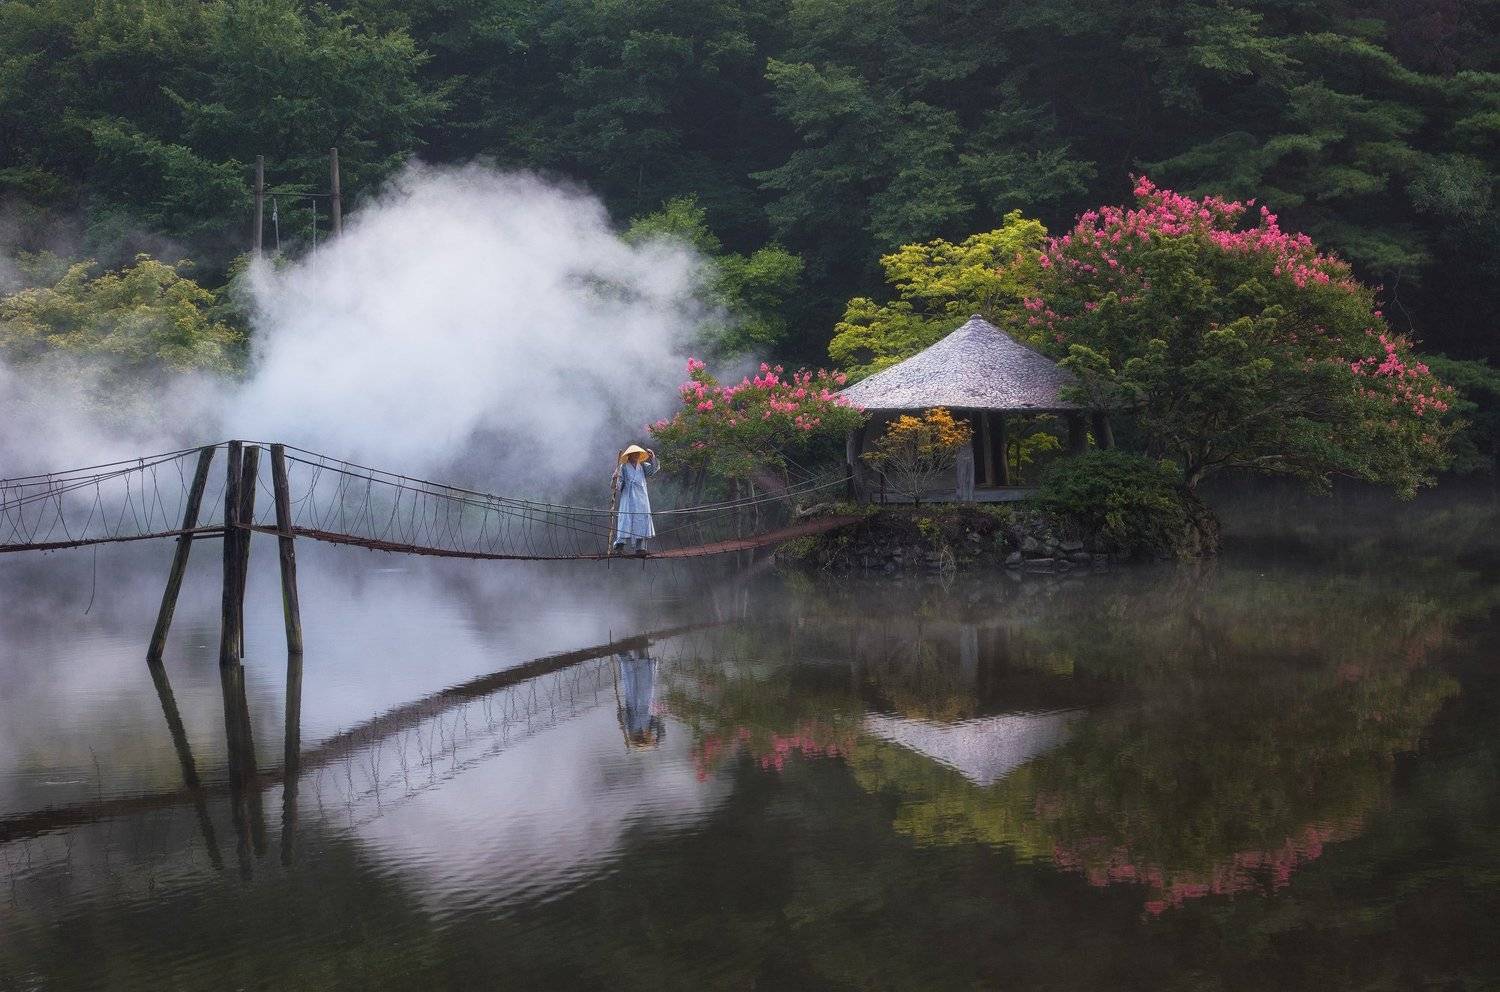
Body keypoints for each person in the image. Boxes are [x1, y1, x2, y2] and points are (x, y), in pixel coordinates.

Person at [611, 444, 659, 556]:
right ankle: (619, 546)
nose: (637, 455)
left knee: (642, 518)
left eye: (638, 453)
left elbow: (652, 470)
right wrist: (615, 478)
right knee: (626, 519)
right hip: (628, 497)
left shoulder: (643, 466)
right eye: (634, 454)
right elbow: (618, 485)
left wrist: (653, 458)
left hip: (642, 497)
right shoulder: (622, 467)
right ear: (629, 455)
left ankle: (640, 548)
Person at [615, 647, 665, 749]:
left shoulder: (631, 727)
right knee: (643, 663)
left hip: (633, 696)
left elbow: (621, 714)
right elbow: (661, 728)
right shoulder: (648, 726)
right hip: (644, 693)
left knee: (628, 665)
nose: (651, 736)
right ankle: (639, 643)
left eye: (649, 738)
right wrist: (657, 741)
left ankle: (620, 646)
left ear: (642, 738)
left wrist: (621, 719)